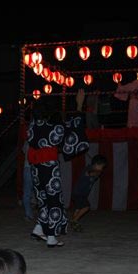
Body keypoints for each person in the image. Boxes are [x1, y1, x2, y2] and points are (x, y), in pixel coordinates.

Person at [27, 88, 89, 248]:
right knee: (53, 199)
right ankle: (51, 236)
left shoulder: (33, 125)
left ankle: (39, 228)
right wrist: (79, 106)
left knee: (42, 198)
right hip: (49, 166)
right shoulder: (54, 127)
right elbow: (72, 126)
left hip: (36, 167)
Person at [70, 154, 107, 232]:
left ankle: (74, 223)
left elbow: (94, 177)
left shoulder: (95, 171)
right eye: (102, 166)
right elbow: (90, 173)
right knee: (86, 207)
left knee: (78, 209)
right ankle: (74, 220)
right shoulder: (88, 168)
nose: (102, 168)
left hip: (81, 194)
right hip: (79, 193)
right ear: (96, 164)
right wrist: (97, 171)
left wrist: (98, 173)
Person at [21, 140, 34, 221]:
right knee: (30, 192)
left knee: (27, 192)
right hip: (34, 167)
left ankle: (28, 214)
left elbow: (23, 151)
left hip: (28, 167)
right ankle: (29, 213)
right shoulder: (39, 139)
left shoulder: (27, 141)